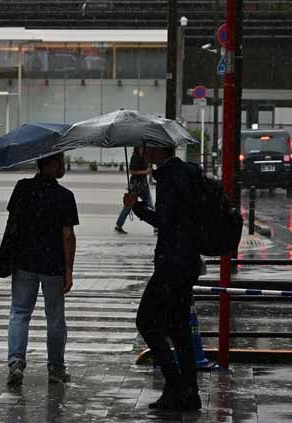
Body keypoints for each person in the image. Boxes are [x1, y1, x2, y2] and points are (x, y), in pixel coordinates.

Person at [124, 146, 202, 411]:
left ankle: (175, 384)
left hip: (172, 263)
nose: (143, 151)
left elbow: (164, 220)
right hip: (188, 260)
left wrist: (136, 207)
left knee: (146, 321)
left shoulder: (170, 176)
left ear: (158, 149)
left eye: (147, 146)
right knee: (178, 327)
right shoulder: (187, 172)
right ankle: (189, 392)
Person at [5, 152, 78, 387]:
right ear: (53, 163)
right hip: (52, 266)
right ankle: (56, 369)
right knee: (55, 318)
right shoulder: (64, 196)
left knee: (19, 313)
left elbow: (12, 223)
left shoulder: (22, 188)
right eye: (62, 160)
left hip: (24, 262)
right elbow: (67, 235)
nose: (64, 165)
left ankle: (16, 363)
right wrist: (69, 270)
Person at [115, 146, 154, 234]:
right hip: (135, 185)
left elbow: (148, 171)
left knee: (150, 204)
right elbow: (132, 171)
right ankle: (119, 225)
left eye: (143, 147)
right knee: (128, 205)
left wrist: (149, 170)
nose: (143, 149)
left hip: (144, 185)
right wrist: (145, 172)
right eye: (141, 148)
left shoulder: (146, 157)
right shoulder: (135, 158)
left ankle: (156, 225)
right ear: (137, 148)